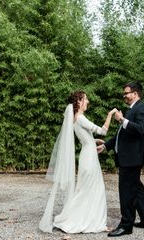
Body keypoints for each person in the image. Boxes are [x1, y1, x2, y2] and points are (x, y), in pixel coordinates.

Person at [39, 90, 117, 235]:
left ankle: (88, 219)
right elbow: (103, 131)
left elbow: (84, 138)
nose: (88, 102)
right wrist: (110, 114)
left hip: (87, 155)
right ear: (79, 102)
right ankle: (91, 222)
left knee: (87, 189)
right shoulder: (80, 118)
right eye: (86, 99)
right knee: (91, 190)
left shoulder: (75, 118)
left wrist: (92, 141)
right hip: (89, 158)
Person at [97, 82, 144, 237]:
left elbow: (141, 129)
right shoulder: (131, 110)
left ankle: (126, 225)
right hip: (129, 158)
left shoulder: (142, 108)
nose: (124, 96)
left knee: (127, 191)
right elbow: (121, 135)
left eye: (126, 93)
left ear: (135, 93)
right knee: (137, 189)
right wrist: (106, 146)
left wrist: (122, 120)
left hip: (133, 158)